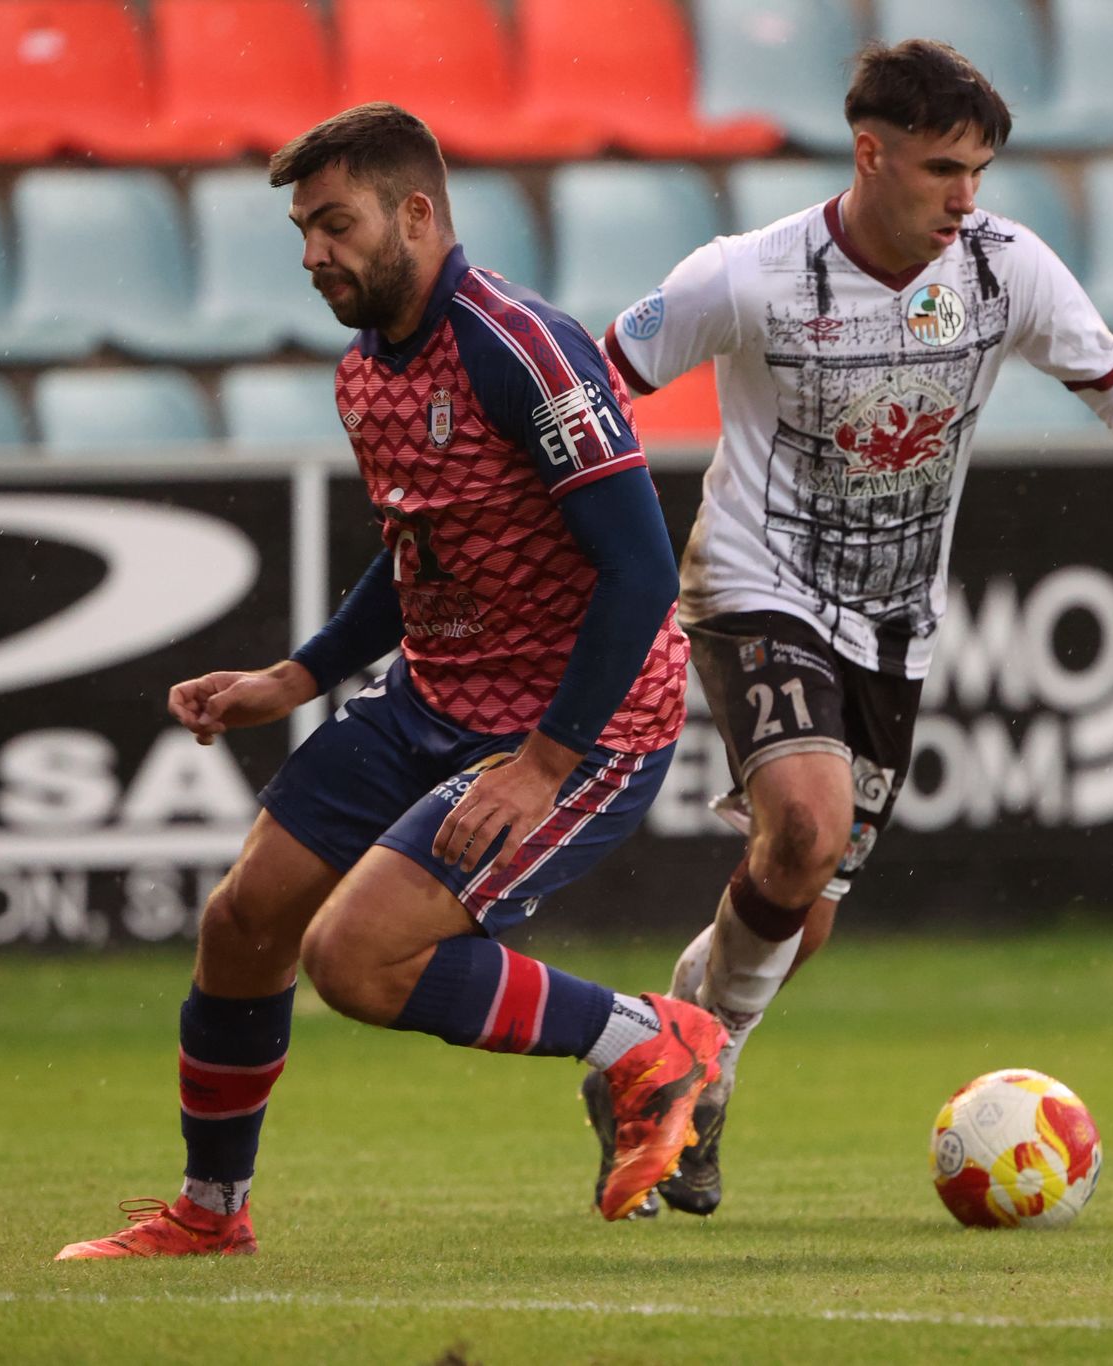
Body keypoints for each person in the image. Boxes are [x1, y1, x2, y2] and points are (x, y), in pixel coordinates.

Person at [56, 103, 723, 1258]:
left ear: (416, 213)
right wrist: (294, 675)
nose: (314, 253)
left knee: (355, 958)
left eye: (335, 224)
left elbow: (640, 567)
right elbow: (419, 551)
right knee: (245, 919)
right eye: (303, 232)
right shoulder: (367, 374)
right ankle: (212, 1214)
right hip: (435, 696)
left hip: (586, 721)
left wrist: (543, 763)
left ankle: (648, 1039)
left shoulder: (522, 350)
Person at [585, 40, 1113, 1217]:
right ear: (868, 153)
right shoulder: (746, 276)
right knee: (807, 822)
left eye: (978, 170)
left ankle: (665, 1043)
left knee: (803, 904)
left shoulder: (1001, 268)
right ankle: (692, 1073)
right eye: (940, 170)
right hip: (753, 578)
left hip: (894, 622)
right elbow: (594, 379)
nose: (963, 196)